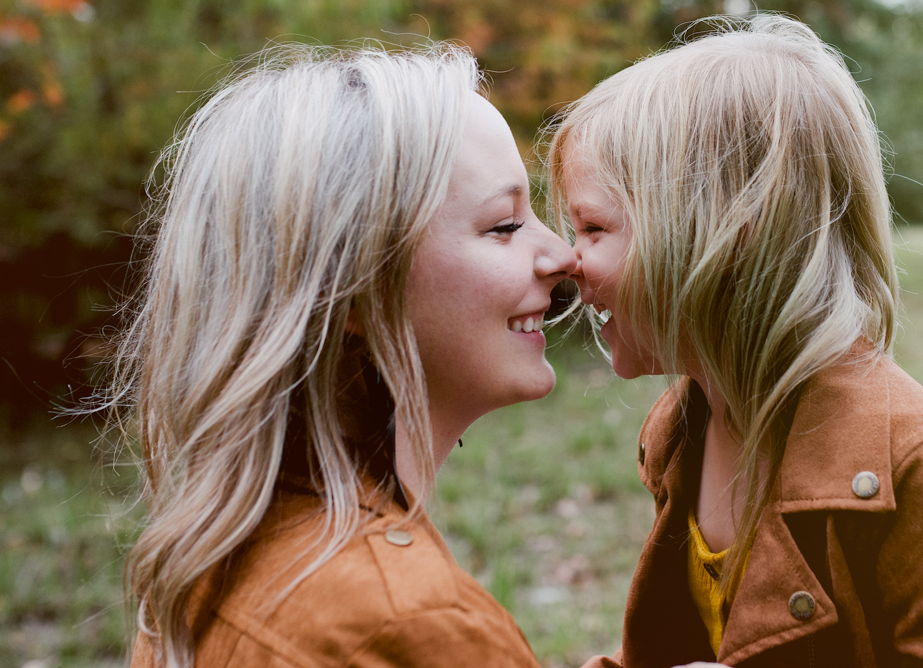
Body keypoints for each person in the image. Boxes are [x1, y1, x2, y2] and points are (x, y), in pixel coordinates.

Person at [546, 15, 923, 668]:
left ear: (729, 236)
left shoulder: (920, 465)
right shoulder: (683, 428)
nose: (569, 261)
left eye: (593, 227)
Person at [108, 44, 578, 668]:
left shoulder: (207, 566)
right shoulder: (404, 625)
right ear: (351, 291)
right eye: (503, 225)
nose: (562, 256)